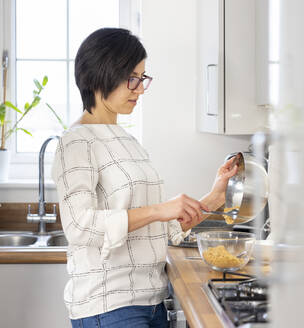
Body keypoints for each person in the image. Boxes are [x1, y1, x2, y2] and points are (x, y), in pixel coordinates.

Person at [52, 27, 238, 328]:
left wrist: (211, 201)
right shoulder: (76, 142)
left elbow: (154, 231)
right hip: (109, 306)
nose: (140, 89)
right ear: (102, 75)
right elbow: (79, 227)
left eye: (142, 78)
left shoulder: (127, 141)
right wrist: (158, 210)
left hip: (151, 303)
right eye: (132, 79)